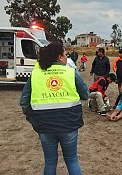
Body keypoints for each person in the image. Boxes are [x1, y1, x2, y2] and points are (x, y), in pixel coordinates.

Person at [20, 42, 88, 175]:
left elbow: (24, 101)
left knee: (50, 161)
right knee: (72, 160)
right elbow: (85, 94)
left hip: (44, 125)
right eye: (64, 54)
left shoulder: (36, 73)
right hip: (69, 123)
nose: (66, 57)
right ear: (59, 57)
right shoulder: (70, 72)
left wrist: (32, 118)